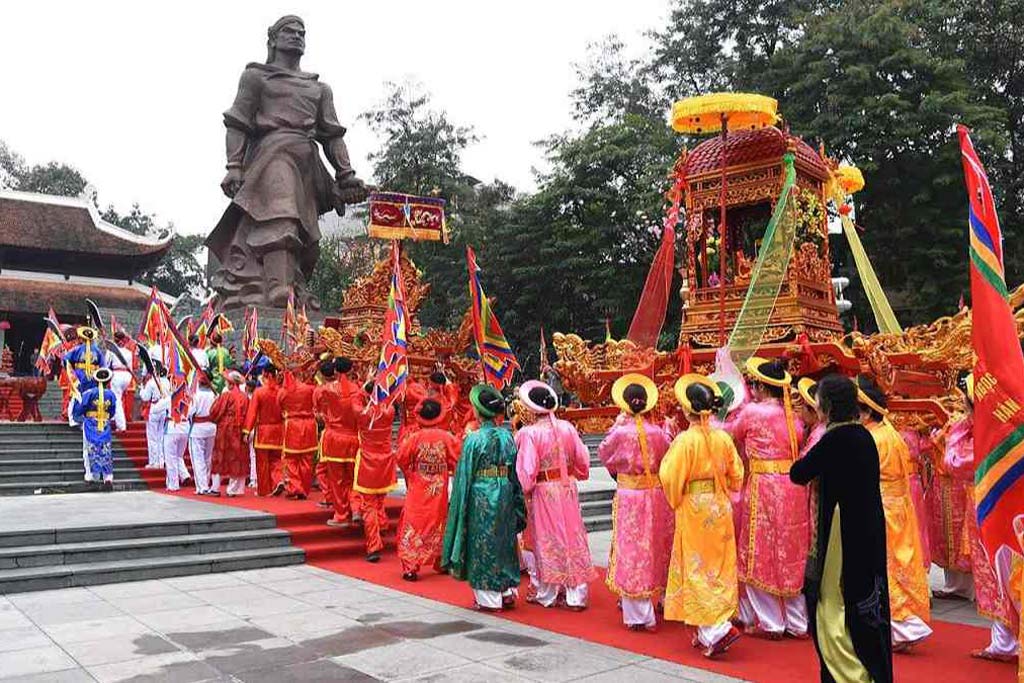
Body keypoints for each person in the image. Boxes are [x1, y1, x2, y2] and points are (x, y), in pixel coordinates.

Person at [207, 14, 368, 308]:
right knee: (281, 217)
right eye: (289, 32)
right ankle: (276, 289)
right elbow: (238, 122)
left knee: (310, 241)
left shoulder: (320, 89)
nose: (297, 37)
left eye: (302, 33)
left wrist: (346, 175)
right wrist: (233, 166)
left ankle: (292, 285)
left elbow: (331, 135)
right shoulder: (256, 77)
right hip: (272, 154)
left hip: (307, 163)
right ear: (273, 40)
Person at [791, 374, 893, 683]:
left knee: (831, 605)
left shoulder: (834, 439)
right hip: (869, 531)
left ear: (828, 407)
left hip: (841, 534)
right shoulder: (864, 436)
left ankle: (850, 673)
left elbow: (798, 473)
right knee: (868, 603)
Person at [723, 357, 808, 639]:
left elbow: (731, 435)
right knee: (790, 552)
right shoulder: (792, 416)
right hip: (792, 487)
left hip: (764, 486)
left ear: (760, 386)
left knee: (758, 550)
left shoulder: (753, 413)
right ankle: (797, 622)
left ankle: (771, 622)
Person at [659, 374, 744, 657]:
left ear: (687, 409)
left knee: (697, 565)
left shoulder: (685, 440)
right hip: (719, 505)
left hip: (695, 507)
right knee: (719, 564)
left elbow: (669, 476)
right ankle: (709, 625)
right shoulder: (723, 437)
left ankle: (715, 629)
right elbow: (737, 474)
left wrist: (677, 497)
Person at [944, 372, 1020, 662]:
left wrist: (961, 428)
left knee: (995, 571)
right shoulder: (1010, 427)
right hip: (1008, 508)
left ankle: (1005, 641)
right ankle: (1005, 640)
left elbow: (955, 463)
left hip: (988, 505)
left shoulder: (982, 434)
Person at [856, 376, 932, 651]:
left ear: (866, 411)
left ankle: (904, 626)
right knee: (903, 563)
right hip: (899, 506)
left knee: (886, 565)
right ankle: (905, 622)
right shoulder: (892, 434)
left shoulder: (872, 439)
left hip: (882, 507)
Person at [597, 373, 674, 631]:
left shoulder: (620, 433)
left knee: (631, 549)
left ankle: (639, 614)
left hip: (631, 495)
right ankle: (660, 597)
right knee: (655, 544)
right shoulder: (658, 433)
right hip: (655, 494)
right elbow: (668, 456)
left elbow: (604, 453)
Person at [442, 384, 526, 611]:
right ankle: (507, 590)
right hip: (506, 489)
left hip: (482, 493)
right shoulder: (508, 436)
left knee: (484, 542)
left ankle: (489, 598)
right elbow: (514, 469)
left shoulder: (474, 439)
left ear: (478, 412)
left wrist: (459, 501)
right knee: (504, 539)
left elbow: (464, 474)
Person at [515, 379, 595, 610]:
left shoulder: (529, 434)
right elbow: (582, 459)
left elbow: (527, 470)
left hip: (544, 490)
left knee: (548, 537)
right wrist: (576, 475)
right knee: (573, 534)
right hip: (567, 487)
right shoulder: (568, 427)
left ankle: (548, 592)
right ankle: (576, 594)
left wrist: (524, 488)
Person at [394, 399, 461, 581]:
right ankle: (440, 561)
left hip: (418, 487)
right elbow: (458, 458)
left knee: (414, 522)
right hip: (438, 489)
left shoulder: (414, 438)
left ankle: (410, 566)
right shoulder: (446, 437)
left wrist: (412, 471)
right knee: (438, 522)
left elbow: (401, 458)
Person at [314, 357, 362, 527]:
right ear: (350, 371)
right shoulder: (358, 390)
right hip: (353, 439)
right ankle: (356, 508)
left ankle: (341, 514)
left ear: (335, 371)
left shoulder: (324, 390)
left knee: (337, 480)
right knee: (353, 478)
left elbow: (319, 414)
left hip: (333, 439)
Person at [355, 382, 398, 562]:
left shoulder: (362, 414)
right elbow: (389, 399)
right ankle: (382, 524)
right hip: (385, 461)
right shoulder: (389, 412)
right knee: (380, 498)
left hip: (368, 462)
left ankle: (373, 545)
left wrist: (366, 385)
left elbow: (355, 399)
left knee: (369, 505)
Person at [73, 368, 124, 490]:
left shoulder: (89, 393)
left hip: (91, 423)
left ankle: (90, 475)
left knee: (88, 448)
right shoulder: (111, 395)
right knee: (105, 449)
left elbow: (81, 408)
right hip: (104, 424)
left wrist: (78, 414)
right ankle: (108, 477)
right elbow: (112, 411)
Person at [245, 364, 285, 496]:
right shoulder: (281, 391)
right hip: (279, 430)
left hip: (263, 431)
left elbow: (252, 413)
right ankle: (278, 480)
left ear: (265, 374)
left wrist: (246, 430)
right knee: (276, 460)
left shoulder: (259, 392)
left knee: (262, 462)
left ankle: (264, 490)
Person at [209, 370, 250, 497]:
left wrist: (216, 401)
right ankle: (236, 488)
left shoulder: (226, 395)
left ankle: (215, 487)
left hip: (226, 429)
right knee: (239, 457)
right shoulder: (244, 396)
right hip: (240, 428)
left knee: (219, 457)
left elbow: (215, 412)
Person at [278, 371, 318, 499]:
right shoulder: (310, 389)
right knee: (307, 460)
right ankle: (304, 489)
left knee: (291, 459)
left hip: (293, 426)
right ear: (299, 374)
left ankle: (295, 488)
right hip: (309, 426)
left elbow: (279, 406)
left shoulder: (284, 391)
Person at [188, 372, 218, 495]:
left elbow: (190, 412)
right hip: (211, 428)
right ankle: (205, 483)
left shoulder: (196, 396)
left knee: (198, 458)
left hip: (198, 428)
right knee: (207, 458)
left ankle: (202, 486)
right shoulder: (215, 395)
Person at [138, 362, 170, 469]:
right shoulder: (167, 381)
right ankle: (161, 460)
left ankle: (154, 462)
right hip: (164, 409)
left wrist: (141, 389)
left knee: (152, 437)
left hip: (155, 408)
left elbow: (145, 397)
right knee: (160, 436)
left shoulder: (152, 383)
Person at [108, 331, 135, 425]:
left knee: (117, 399)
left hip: (117, 375)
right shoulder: (129, 352)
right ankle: (113, 417)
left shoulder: (111, 351)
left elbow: (107, 365)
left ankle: (121, 425)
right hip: (127, 376)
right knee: (118, 398)